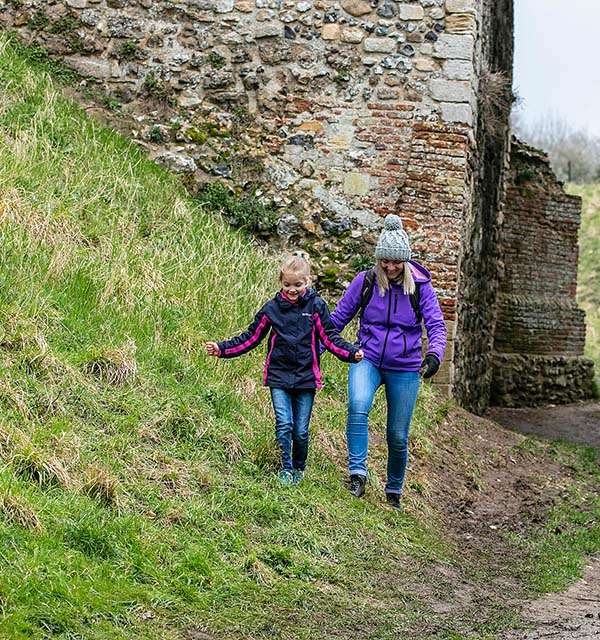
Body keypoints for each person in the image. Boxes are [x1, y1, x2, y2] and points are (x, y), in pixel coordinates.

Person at [205, 253, 364, 485]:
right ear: (281, 282)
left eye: (297, 285)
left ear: (307, 282)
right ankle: (285, 469)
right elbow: (251, 337)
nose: (292, 290)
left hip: (306, 377)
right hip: (278, 375)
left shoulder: (316, 306)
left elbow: (329, 338)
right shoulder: (272, 309)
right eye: (287, 284)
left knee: (300, 429)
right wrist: (222, 349)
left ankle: (299, 468)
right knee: (284, 423)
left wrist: (351, 353)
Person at [329, 214, 447, 509]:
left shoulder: (421, 287)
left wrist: (434, 354)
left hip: (405, 366)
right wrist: (315, 345)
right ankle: (357, 474)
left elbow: (436, 326)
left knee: (397, 434)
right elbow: (338, 318)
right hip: (366, 357)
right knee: (357, 406)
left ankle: (394, 490)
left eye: (397, 262)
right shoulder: (366, 281)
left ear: (405, 261)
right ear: (379, 259)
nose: (391, 267)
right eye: (386, 261)